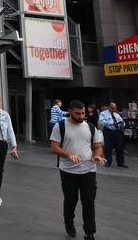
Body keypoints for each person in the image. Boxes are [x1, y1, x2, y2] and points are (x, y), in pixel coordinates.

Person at [50, 100, 105, 240]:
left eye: (83, 113)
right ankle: (69, 221)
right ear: (69, 111)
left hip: (89, 170)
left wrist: (98, 156)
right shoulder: (60, 126)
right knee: (70, 199)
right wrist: (69, 154)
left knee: (88, 200)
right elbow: (54, 147)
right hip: (68, 171)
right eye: (77, 113)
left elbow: (97, 146)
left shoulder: (90, 127)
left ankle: (89, 232)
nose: (81, 116)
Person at [99, 102, 127, 168]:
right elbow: (102, 122)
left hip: (118, 131)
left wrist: (122, 123)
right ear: (109, 107)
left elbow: (122, 122)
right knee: (108, 147)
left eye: (115, 108)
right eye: (113, 108)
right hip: (109, 131)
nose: (114, 109)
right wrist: (111, 122)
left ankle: (120, 163)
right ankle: (108, 162)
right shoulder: (103, 114)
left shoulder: (117, 114)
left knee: (120, 147)